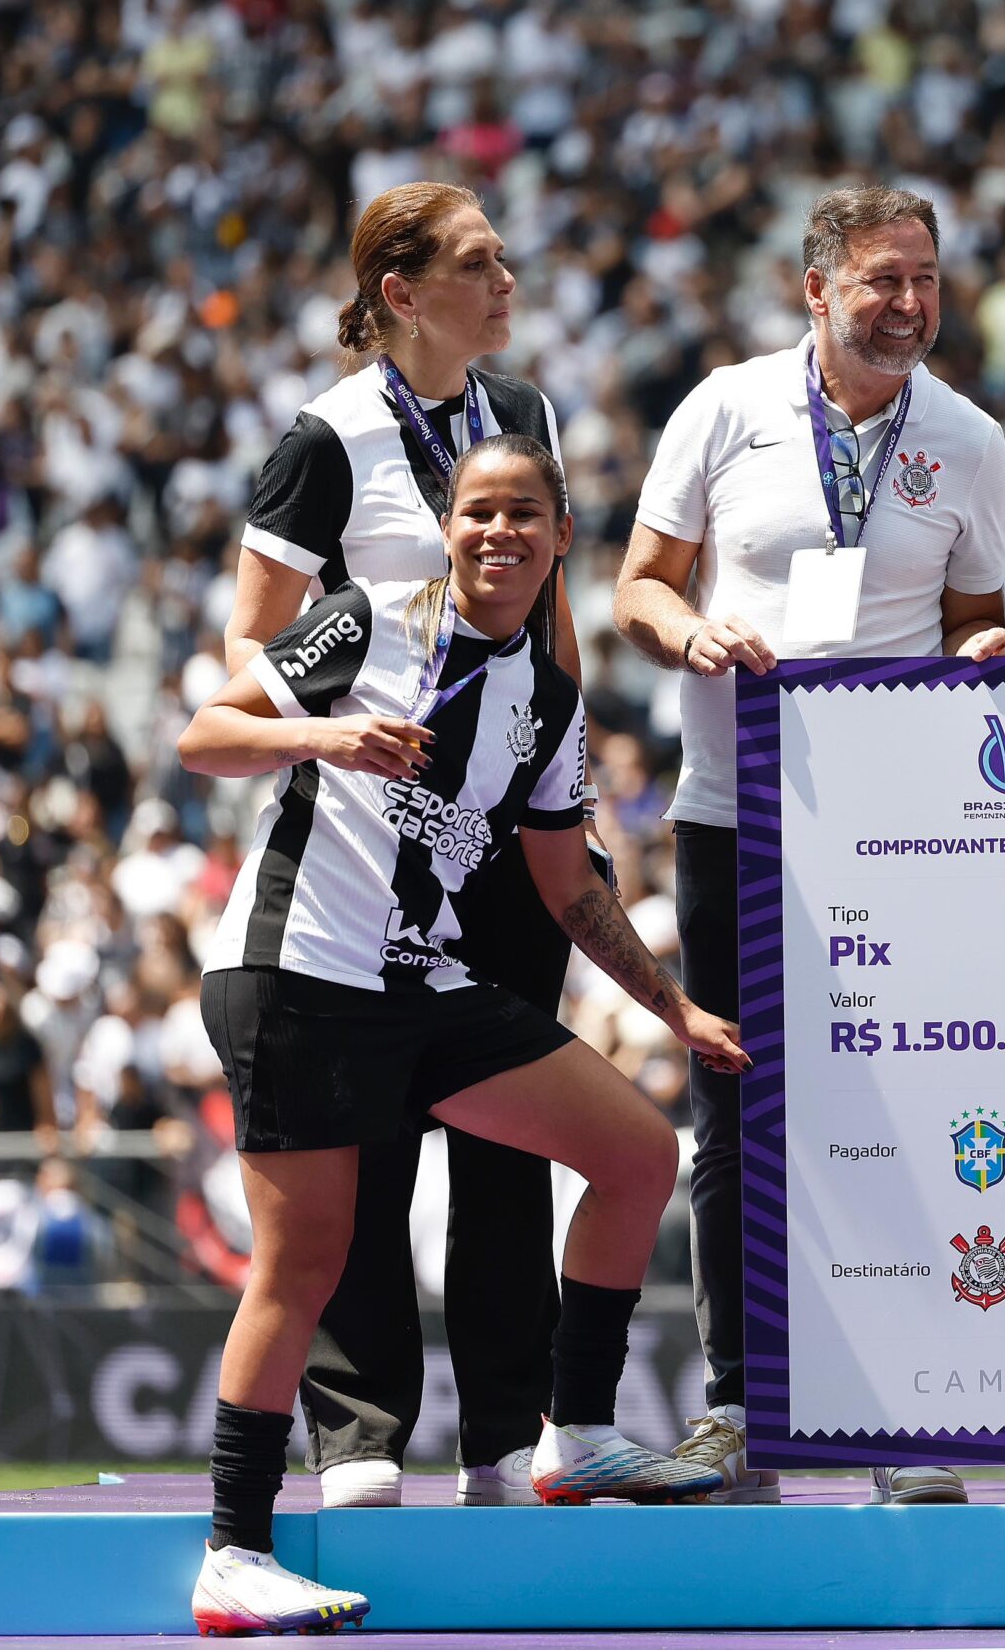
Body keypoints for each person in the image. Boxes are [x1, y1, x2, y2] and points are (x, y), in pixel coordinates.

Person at [177, 436, 749, 1633]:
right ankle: (233, 1548)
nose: (499, 533)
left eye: (523, 515)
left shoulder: (546, 698)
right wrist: (322, 735)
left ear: (558, 538)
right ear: (447, 524)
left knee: (640, 1152)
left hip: (423, 986)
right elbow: (207, 736)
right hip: (295, 973)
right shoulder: (357, 620)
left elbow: (565, 883)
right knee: (305, 1261)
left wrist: (676, 1008)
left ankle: (577, 1430)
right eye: (478, 511)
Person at [612, 186, 1005, 1507]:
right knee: (736, 1113)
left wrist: (982, 658)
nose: (909, 303)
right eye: (883, 280)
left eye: (926, 280)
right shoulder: (724, 410)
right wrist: (693, 636)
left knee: (895, 1109)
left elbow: (974, 622)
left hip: (897, 828)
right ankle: (743, 1413)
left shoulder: (965, 437)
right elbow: (638, 586)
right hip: (736, 808)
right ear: (817, 290)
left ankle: (907, 1416)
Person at [225, 180, 574, 1510]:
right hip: (377, 839)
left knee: (513, 1138)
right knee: (363, 1131)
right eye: (480, 266)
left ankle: (507, 1434)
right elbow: (249, 644)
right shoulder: (326, 438)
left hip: (505, 828)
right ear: (401, 296)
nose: (507, 285)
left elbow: (555, 617)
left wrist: (572, 805)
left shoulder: (525, 416)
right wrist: (315, 742)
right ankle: (362, 1433)